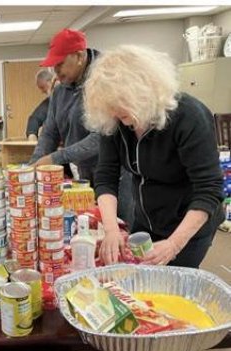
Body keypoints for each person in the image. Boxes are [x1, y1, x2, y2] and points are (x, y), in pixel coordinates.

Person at [83, 45, 225, 268]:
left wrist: (174, 244)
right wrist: (111, 230)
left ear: (145, 92)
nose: (118, 116)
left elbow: (209, 189)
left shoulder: (190, 116)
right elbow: (106, 176)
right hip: (147, 217)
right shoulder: (116, 120)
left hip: (188, 224)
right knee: (138, 281)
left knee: (172, 287)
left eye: (124, 107)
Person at [29, 28, 134, 227]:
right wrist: (32, 167)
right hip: (85, 174)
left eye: (60, 64)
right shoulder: (60, 91)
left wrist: (55, 158)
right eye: (53, 66)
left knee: (119, 230)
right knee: (90, 226)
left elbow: (101, 137)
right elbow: (50, 132)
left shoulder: (107, 81)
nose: (56, 72)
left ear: (79, 56)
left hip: (116, 174)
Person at [26, 69, 53, 141]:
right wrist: (32, 134)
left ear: (49, 83)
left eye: (42, 87)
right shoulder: (49, 102)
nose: (42, 91)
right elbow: (35, 118)